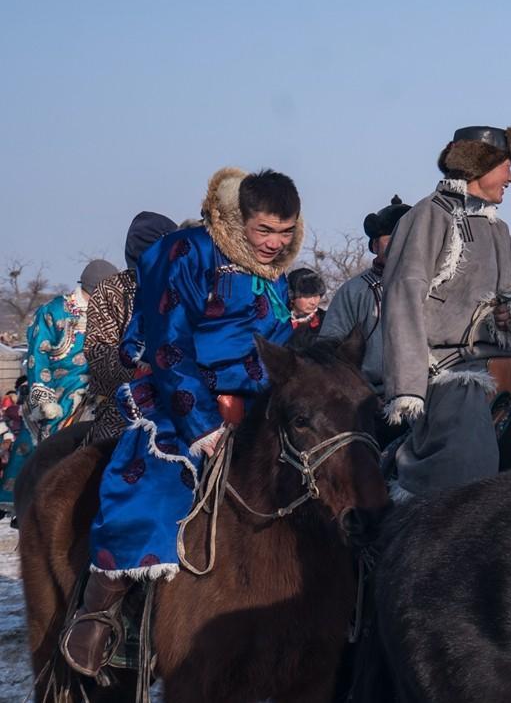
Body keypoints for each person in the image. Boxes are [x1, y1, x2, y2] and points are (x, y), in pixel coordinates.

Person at [63, 168, 303, 675]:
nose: (274, 243)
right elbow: (168, 343)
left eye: (285, 232)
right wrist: (204, 424)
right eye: (264, 230)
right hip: (181, 396)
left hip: (258, 404)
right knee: (152, 488)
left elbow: (277, 343)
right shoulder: (186, 252)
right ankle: (100, 611)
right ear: (239, 218)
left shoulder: (276, 271)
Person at [382, 126, 511, 501]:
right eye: (505, 167)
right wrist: (409, 388)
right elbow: (403, 296)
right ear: (478, 166)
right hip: (449, 368)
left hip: (508, 361)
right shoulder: (428, 216)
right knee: (467, 466)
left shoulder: (498, 229)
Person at [84, 212, 178, 444]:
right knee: (109, 456)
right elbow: (97, 354)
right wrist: (144, 365)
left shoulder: (185, 285)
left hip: (184, 401)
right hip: (125, 407)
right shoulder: (110, 291)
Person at [320, 194, 410, 395]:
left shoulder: (436, 285)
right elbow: (328, 348)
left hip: (429, 392)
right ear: (375, 245)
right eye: (391, 238)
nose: (400, 244)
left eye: (407, 237)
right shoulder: (354, 291)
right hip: (371, 396)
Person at [21, 258, 119, 441]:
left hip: (105, 387)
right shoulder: (54, 311)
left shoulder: (114, 314)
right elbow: (37, 355)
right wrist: (44, 401)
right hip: (63, 390)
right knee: (53, 440)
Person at [285, 267, 326, 349]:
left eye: (316, 295)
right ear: (292, 296)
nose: (313, 302)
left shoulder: (328, 321)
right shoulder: (279, 323)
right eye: (307, 296)